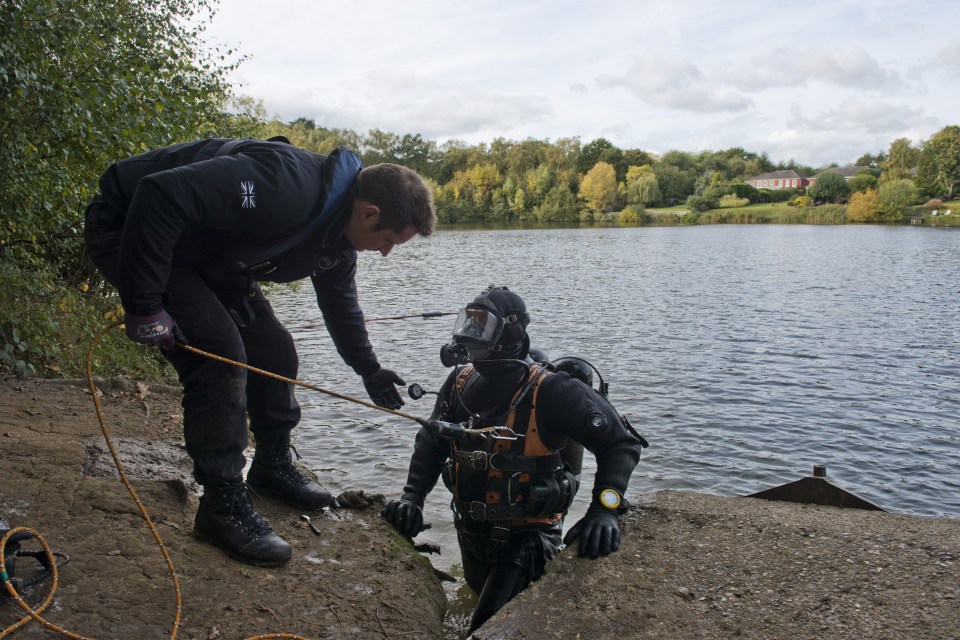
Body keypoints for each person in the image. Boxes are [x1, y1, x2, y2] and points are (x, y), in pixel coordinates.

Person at [83, 136, 436, 567]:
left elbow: (341, 307)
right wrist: (144, 308)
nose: (384, 253)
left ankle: (271, 465)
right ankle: (222, 503)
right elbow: (160, 193)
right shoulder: (284, 185)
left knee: (274, 348)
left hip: (203, 250)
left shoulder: (337, 240)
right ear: (369, 213)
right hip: (130, 224)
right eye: (389, 242)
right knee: (219, 353)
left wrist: (369, 369)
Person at [381, 286, 646, 633]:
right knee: (480, 601)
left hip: (529, 541)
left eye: (482, 324)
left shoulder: (552, 390)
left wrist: (605, 509)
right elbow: (431, 442)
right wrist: (412, 497)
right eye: (468, 322)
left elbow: (621, 445)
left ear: (511, 331)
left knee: (483, 629)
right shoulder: (458, 383)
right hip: (470, 530)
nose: (471, 333)